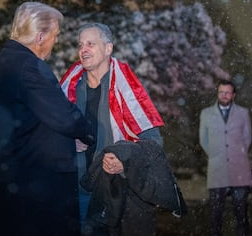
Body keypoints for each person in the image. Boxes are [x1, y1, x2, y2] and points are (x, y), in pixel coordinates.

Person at [61, 23, 185, 236]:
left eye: (91, 43)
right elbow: (50, 132)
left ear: (108, 48)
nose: (83, 49)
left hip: (115, 191)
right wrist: (64, 142)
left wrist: (124, 162)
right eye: (80, 44)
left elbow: (154, 142)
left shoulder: (127, 88)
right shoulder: (69, 86)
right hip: (76, 191)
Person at [0, 2, 95, 236]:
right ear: (41, 36)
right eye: (55, 35)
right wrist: (87, 132)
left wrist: (63, 139)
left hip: (17, 179)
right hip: (36, 186)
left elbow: (31, 118)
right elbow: (65, 117)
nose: (56, 41)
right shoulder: (29, 67)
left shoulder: (7, 61)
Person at [199, 80, 252, 236]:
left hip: (239, 171)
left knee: (241, 216)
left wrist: (235, 153)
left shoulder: (243, 113)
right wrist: (217, 155)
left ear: (233, 95)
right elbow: (204, 140)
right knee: (215, 217)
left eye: (228, 92)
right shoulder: (206, 113)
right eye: (221, 92)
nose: (224, 95)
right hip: (217, 171)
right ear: (217, 93)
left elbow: (247, 139)